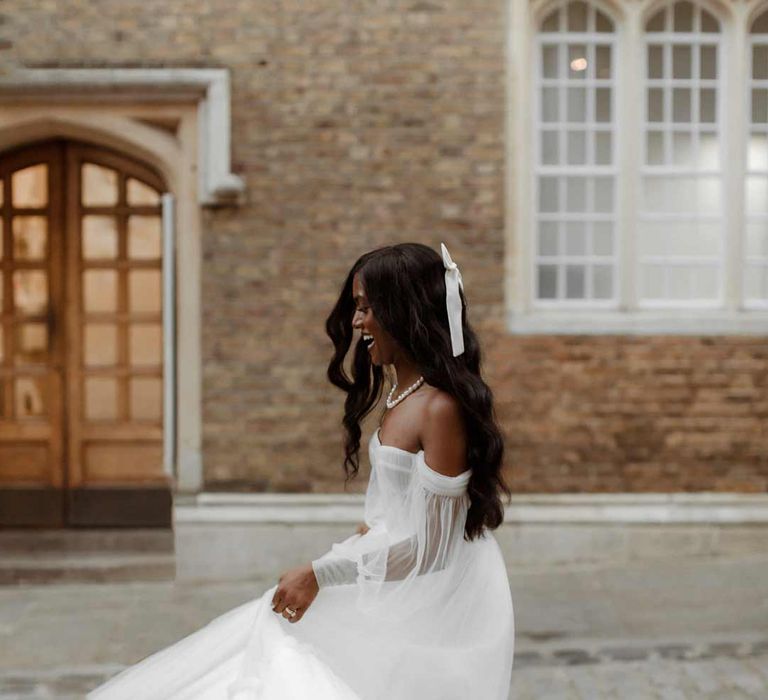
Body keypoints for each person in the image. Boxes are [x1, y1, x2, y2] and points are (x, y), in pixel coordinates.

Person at [87, 241, 515, 700]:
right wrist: (372, 530)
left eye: (368, 308)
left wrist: (322, 572)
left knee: (287, 659)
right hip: (393, 572)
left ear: (403, 310)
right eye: (357, 308)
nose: (356, 323)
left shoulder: (438, 407)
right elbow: (406, 510)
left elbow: (433, 552)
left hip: (432, 597)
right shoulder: (403, 396)